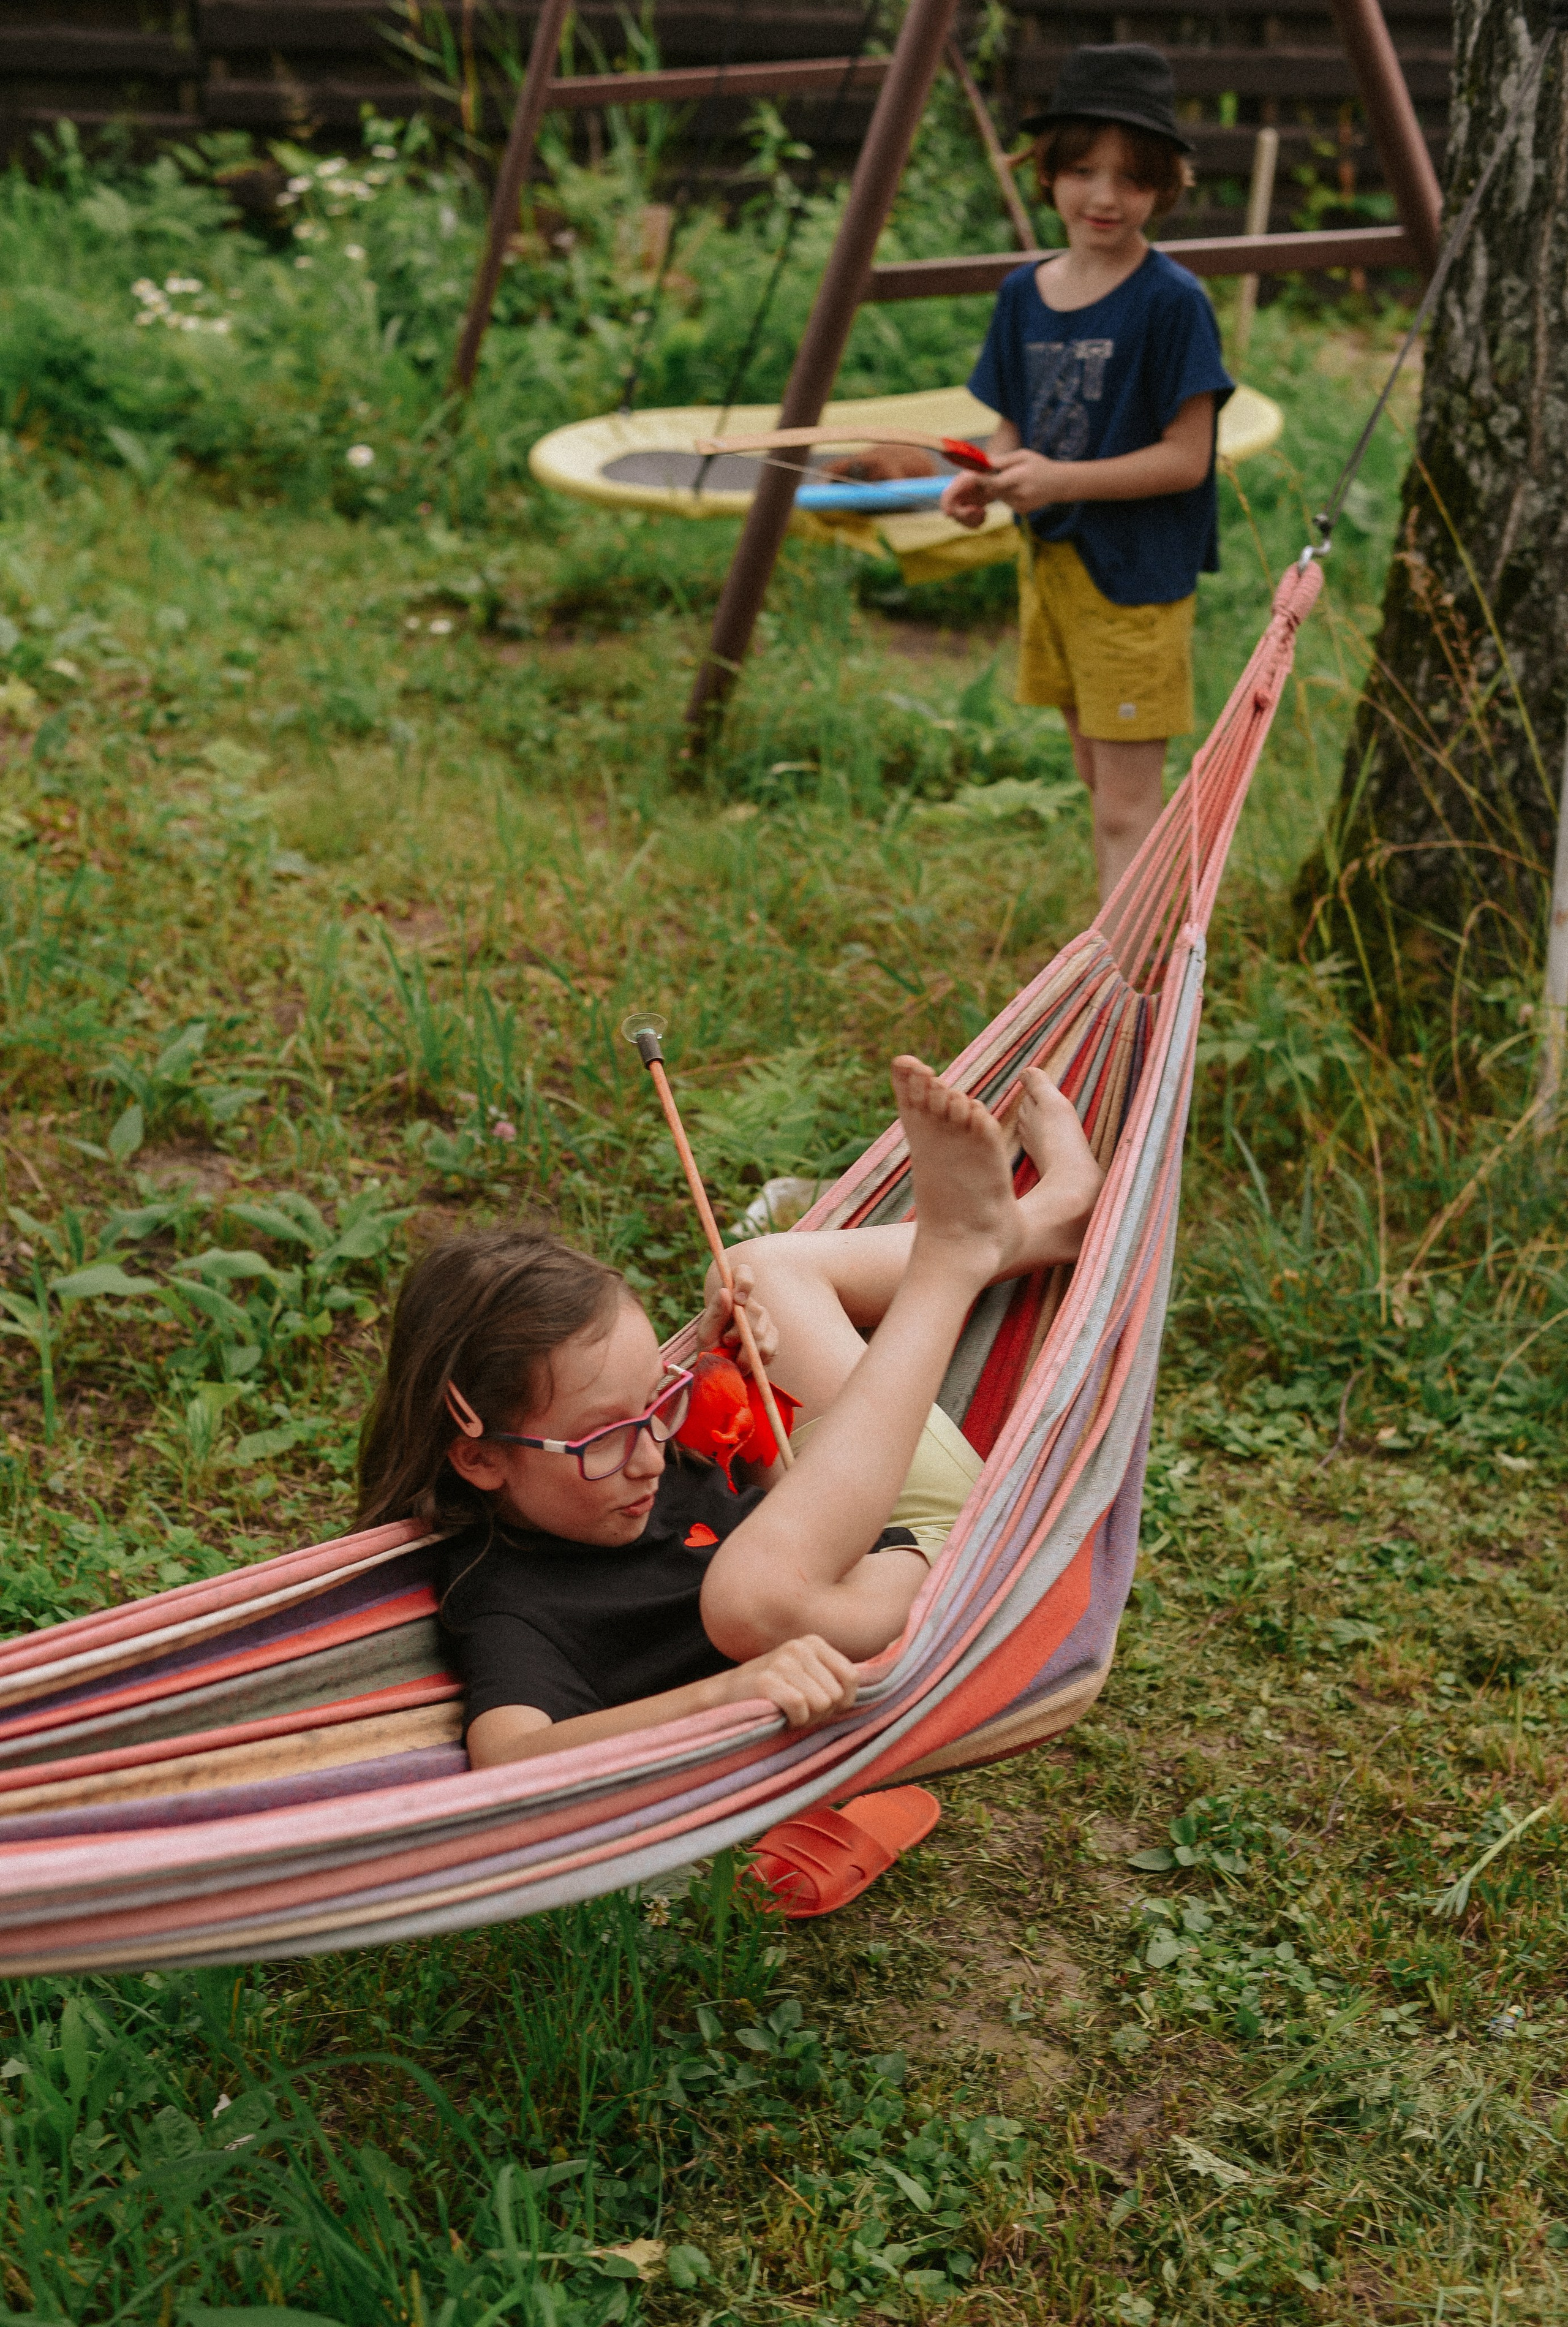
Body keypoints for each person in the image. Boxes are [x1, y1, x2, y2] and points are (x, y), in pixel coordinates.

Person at [356, 1061, 1105, 1768]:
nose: (651, 1453)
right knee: (746, 1603)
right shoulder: (505, 1595)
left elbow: (788, 1499)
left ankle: (1049, 1216)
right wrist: (726, 1692)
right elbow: (509, 1755)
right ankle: (956, 1253)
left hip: (881, 1522)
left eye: (656, 1400)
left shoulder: (628, 1463)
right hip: (952, 1568)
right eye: (603, 1437)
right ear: (480, 1458)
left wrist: (742, 1392)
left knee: (756, 1273)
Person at [941, 44, 1234, 903]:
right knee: (1096, 782)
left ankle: (1123, 993)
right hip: (1056, 569)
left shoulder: (1173, 302)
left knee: (1126, 808)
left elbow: (1188, 459)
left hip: (1135, 581)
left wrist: (1061, 481)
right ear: (1046, 171)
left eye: (1130, 177)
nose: (1104, 197)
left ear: (1164, 185)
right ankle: (1120, 956)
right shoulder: (1022, 294)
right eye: (1081, 170)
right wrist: (985, 481)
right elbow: (1009, 432)